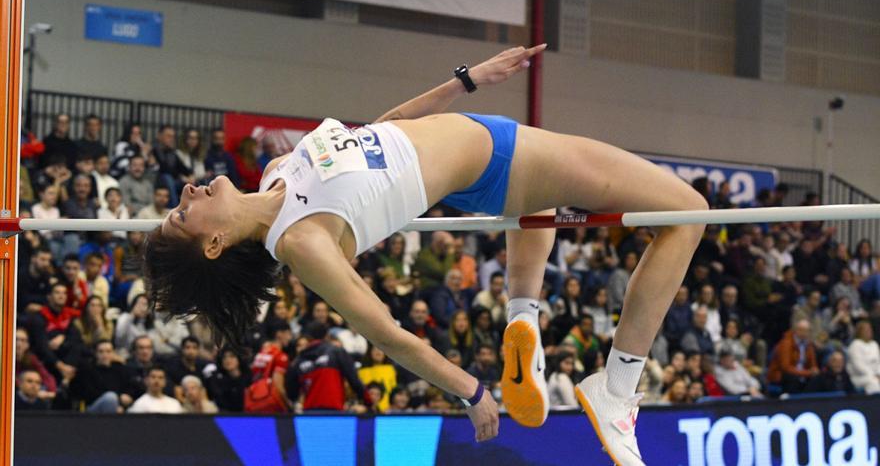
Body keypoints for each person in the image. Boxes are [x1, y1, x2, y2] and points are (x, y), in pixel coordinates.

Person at [145, 44, 708, 460]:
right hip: (500, 161)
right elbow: (386, 332)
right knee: (687, 214)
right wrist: (470, 390)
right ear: (214, 245)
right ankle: (615, 389)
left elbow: (385, 130)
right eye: (182, 214)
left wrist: (466, 79)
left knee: (549, 208)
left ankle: (523, 318)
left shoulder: (277, 172)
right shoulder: (301, 241)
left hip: (472, 145)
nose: (189, 192)